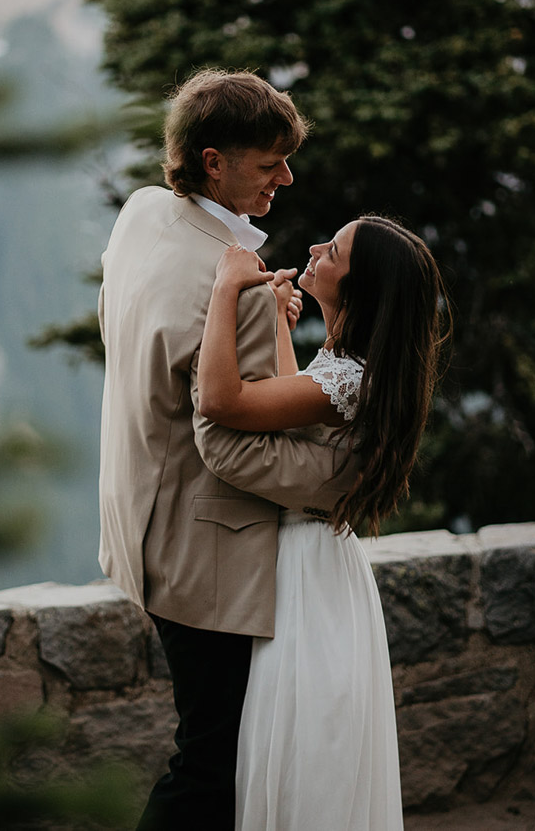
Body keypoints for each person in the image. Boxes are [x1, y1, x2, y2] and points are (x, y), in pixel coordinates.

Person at [97, 69, 361, 831]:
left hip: (134, 516)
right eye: (267, 160)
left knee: (207, 749)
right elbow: (242, 447)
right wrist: (342, 485)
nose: (287, 174)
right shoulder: (237, 292)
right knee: (212, 763)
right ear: (212, 161)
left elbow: (122, 325)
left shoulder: (143, 214)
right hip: (206, 552)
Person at [197, 216, 448, 831]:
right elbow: (295, 402)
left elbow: (222, 401)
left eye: (331, 250)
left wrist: (226, 291)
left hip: (305, 575)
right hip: (325, 566)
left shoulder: (348, 377)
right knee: (313, 745)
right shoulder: (352, 368)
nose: (314, 249)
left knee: (300, 743)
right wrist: (284, 327)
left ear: (358, 289)